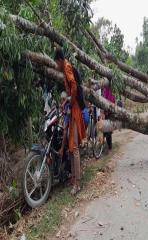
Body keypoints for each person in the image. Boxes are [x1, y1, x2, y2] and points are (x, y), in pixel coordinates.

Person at [54, 49, 86, 195]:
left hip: (75, 110)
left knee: (74, 147)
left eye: (56, 62)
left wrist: (72, 102)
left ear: (59, 60)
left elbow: (73, 85)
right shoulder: (66, 66)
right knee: (71, 147)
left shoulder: (66, 66)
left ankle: (77, 184)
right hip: (72, 108)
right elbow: (70, 89)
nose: (56, 65)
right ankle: (74, 178)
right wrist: (66, 103)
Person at [101, 84, 115, 150]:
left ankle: (109, 147)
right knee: (107, 129)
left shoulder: (109, 88)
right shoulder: (105, 88)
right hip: (108, 111)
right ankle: (108, 146)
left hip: (109, 111)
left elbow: (108, 99)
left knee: (108, 130)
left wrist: (103, 111)